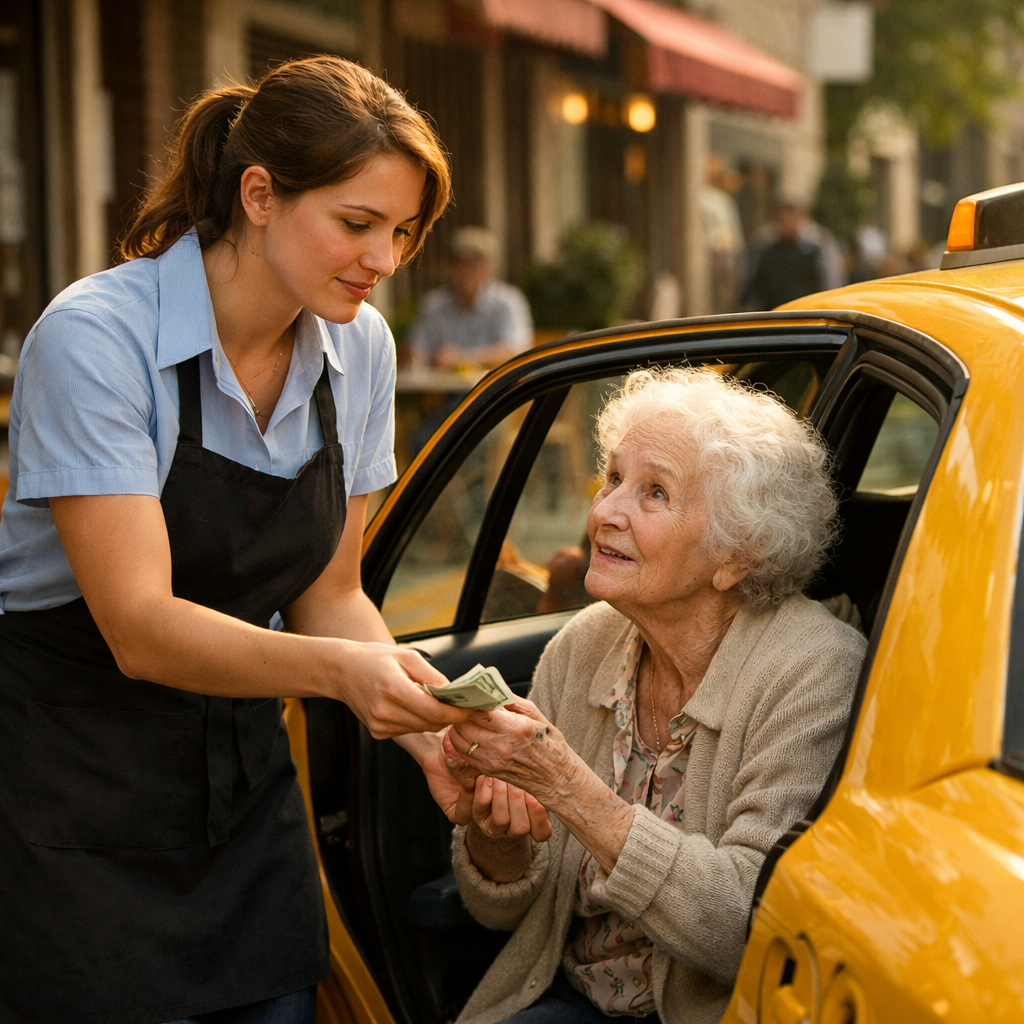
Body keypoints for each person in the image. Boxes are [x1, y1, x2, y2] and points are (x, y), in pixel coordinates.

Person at [0, 57, 474, 1024]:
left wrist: (430, 732)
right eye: (357, 224)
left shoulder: (361, 348)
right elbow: (136, 626)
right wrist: (341, 678)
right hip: (68, 784)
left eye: (402, 231)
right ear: (259, 194)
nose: (384, 259)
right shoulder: (96, 339)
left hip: (244, 787)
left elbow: (332, 593)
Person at [440, 368, 867, 1024]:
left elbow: (745, 929)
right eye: (612, 479)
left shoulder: (812, 674)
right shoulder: (584, 645)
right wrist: (500, 841)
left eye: (655, 493)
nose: (605, 512)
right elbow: (506, 912)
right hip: (567, 993)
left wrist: (568, 788)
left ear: (735, 556)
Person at [408, 226, 533, 370]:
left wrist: (460, 358)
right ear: (448, 266)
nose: (466, 270)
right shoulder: (433, 303)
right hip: (442, 390)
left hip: (495, 389)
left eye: (474, 263)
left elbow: (514, 351)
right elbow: (416, 350)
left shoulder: (507, 301)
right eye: (458, 262)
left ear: (490, 267)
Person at [741, 202, 829, 310]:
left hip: (805, 314)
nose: (785, 224)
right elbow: (756, 285)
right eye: (782, 220)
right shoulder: (769, 253)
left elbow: (823, 284)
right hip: (775, 314)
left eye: (789, 219)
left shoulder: (810, 253)